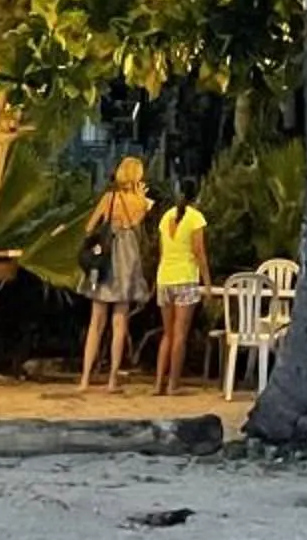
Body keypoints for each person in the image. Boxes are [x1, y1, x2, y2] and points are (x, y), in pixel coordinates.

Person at [78, 156, 152, 392]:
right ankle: (111, 380)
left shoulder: (109, 198)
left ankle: (85, 379)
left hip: (105, 260)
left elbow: (89, 227)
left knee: (95, 322)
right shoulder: (140, 202)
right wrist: (140, 201)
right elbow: (138, 224)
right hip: (127, 260)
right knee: (120, 322)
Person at [152, 179, 211, 397]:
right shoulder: (196, 218)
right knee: (179, 335)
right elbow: (199, 252)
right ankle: (173, 384)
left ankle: (158, 383)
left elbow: (161, 251)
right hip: (185, 277)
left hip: (165, 276)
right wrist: (207, 280)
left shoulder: (166, 216)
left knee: (167, 334)